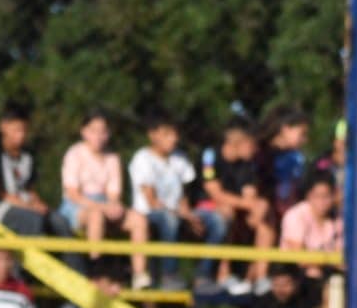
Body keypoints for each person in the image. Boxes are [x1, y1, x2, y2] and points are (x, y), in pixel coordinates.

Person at [58, 112, 146, 263]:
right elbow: (72, 193)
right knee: (96, 216)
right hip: (78, 206)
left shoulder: (113, 158)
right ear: (83, 131)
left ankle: (140, 274)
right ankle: (96, 266)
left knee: (138, 219)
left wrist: (113, 206)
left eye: (103, 131)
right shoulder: (74, 154)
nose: (98, 136)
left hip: (104, 204)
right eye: (93, 131)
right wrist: (102, 207)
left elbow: (113, 193)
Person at [129, 116, 205, 289]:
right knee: (169, 219)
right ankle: (169, 274)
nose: (174, 139)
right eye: (166, 134)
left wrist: (188, 214)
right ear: (152, 135)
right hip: (151, 214)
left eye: (175, 134)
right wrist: (181, 215)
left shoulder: (180, 158)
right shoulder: (142, 159)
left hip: (175, 213)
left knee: (213, 221)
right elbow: (152, 202)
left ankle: (205, 276)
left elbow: (183, 196)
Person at [201, 120, 275, 293]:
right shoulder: (210, 156)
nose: (255, 149)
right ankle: (224, 274)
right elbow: (215, 193)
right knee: (227, 212)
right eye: (252, 144)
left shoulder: (248, 164)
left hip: (237, 207)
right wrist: (248, 204)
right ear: (238, 143)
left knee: (266, 216)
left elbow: (250, 192)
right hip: (207, 206)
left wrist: (257, 207)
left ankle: (259, 277)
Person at [0, 103, 52, 236]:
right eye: (17, 130)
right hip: (0, 208)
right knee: (33, 219)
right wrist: (29, 206)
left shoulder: (28, 155)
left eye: (24, 130)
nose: (21, 135)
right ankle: (31, 256)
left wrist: (38, 203)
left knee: (58, 221)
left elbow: (29, 188)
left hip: (24, 203)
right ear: (3, 127)